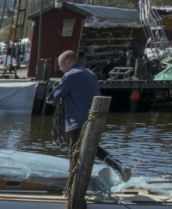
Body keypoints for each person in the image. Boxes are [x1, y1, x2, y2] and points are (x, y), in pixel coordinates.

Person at [47, 50, 126, 184]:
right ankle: (120, 167)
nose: (60, 69)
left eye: (60, 65)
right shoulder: (89, 73)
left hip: (77, 119)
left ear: (68, 62)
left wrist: (51, 90)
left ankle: (73, 183)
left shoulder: (71, 75)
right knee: (91, 147)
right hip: (94, 117)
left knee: (74, 151)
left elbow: (53, 97)